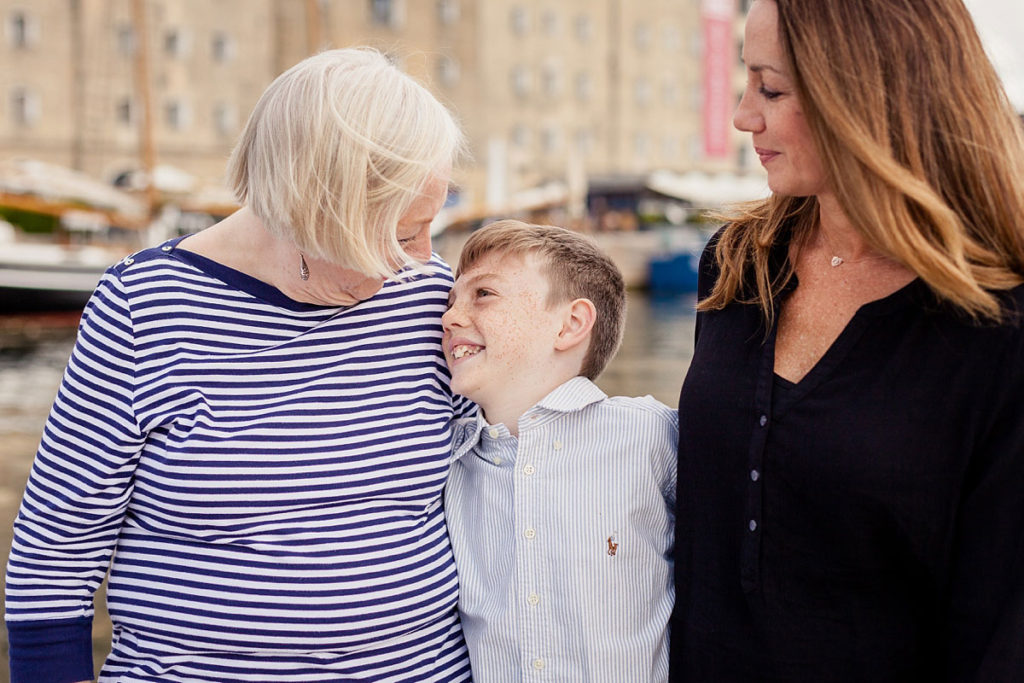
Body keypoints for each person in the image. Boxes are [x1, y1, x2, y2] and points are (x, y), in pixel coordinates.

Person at [5, 48, 473, 682]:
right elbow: (54, 556)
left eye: (429, 228)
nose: (421, 260)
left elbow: (509, 463)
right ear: (315, 207)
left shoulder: (430, 299)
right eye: (398, 235)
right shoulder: (144, 309)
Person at [672, 0, 1024, 681]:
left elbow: (998, 632)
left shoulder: (999, 326)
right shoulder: (736, 265)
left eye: (771, 88)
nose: (745, 115)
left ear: (864, 95)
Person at [441, 219, 678, 682]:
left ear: (570, 325)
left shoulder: (649, 437)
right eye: (452, 300)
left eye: (483, 294)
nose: (449, 317)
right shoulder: (448, 462)